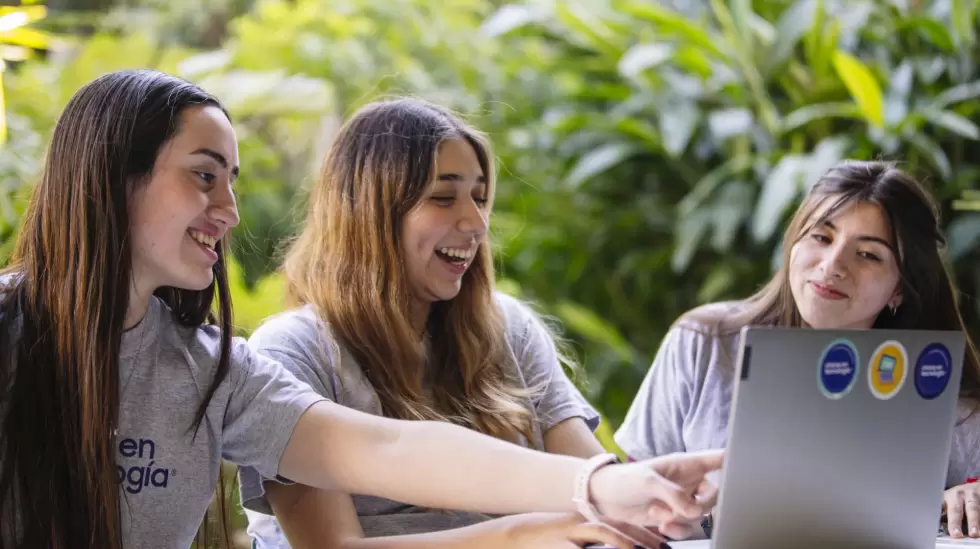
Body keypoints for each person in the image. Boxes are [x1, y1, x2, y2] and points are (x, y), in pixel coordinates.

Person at [0, 69, 723, 549]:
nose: (230, 209)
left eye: (233, 182)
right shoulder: (12, 331)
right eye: (203, 178)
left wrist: (601, 485)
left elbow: (387, 447)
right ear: (110, 178)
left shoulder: (212, 367)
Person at [235, 97, 670, 549]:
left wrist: (665, 497)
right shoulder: (292, 351)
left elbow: (596, 484)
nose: (476, 223)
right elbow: (331, 547)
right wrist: (523, 535)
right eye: (443, 199)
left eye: (480, 199)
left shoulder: (507, 330)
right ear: (368, 213)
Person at [613, 160, 980, 539]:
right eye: (821, 237)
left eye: (868, 254)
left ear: (900, 288)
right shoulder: (705, 343)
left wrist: (973, 495)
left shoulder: (935, 384)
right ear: (793, 243)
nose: (833, 265)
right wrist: (688, 517)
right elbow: (626, 503)